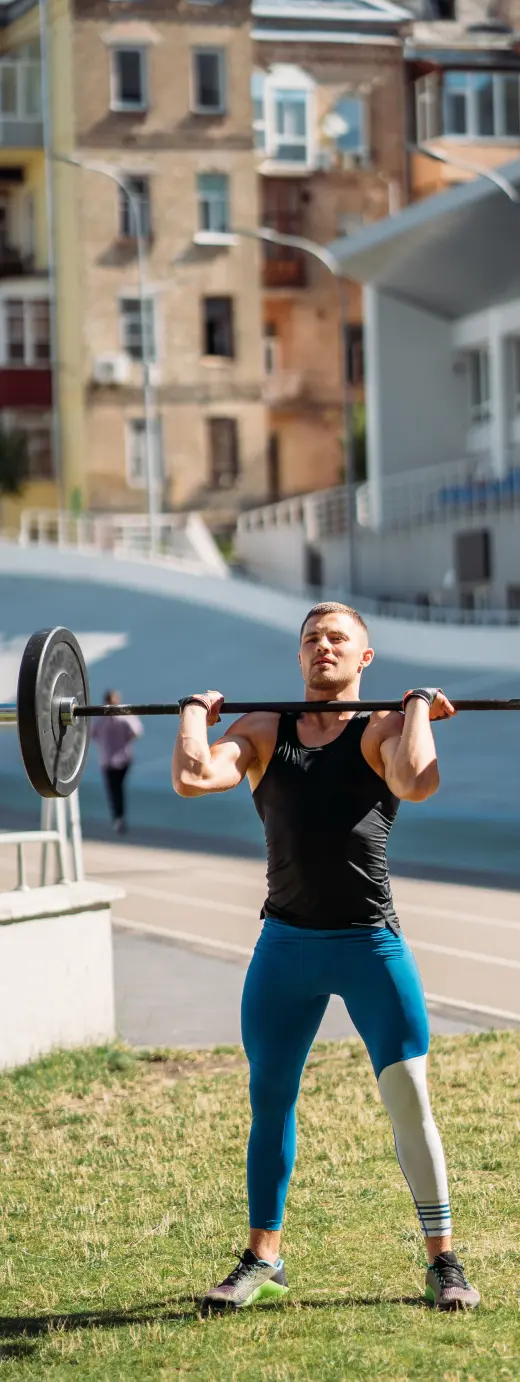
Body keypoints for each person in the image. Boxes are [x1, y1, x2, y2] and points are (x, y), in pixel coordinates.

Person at [172, 601, 480, 1314]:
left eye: (339, 638)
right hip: (285, 946)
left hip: (370, 943)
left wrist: (415, 713)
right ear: (301, 656)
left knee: (409, 1101)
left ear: (363, 658)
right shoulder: (260, 730)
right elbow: (193, 776)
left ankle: (443, 1263)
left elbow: (416, 782)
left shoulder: (380, 730)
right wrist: (194, 710)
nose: (323, 646)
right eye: (312, 638)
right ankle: (261, 1258)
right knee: (269, 1101)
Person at [91, 690, 143, 833]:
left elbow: (92, 734)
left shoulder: (112, 718)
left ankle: (118, 817)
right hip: (111, 759)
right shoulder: (115, 717)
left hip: (118, 759)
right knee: (115, 790)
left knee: (116, 789)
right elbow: (136, 731)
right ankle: (118, 817)